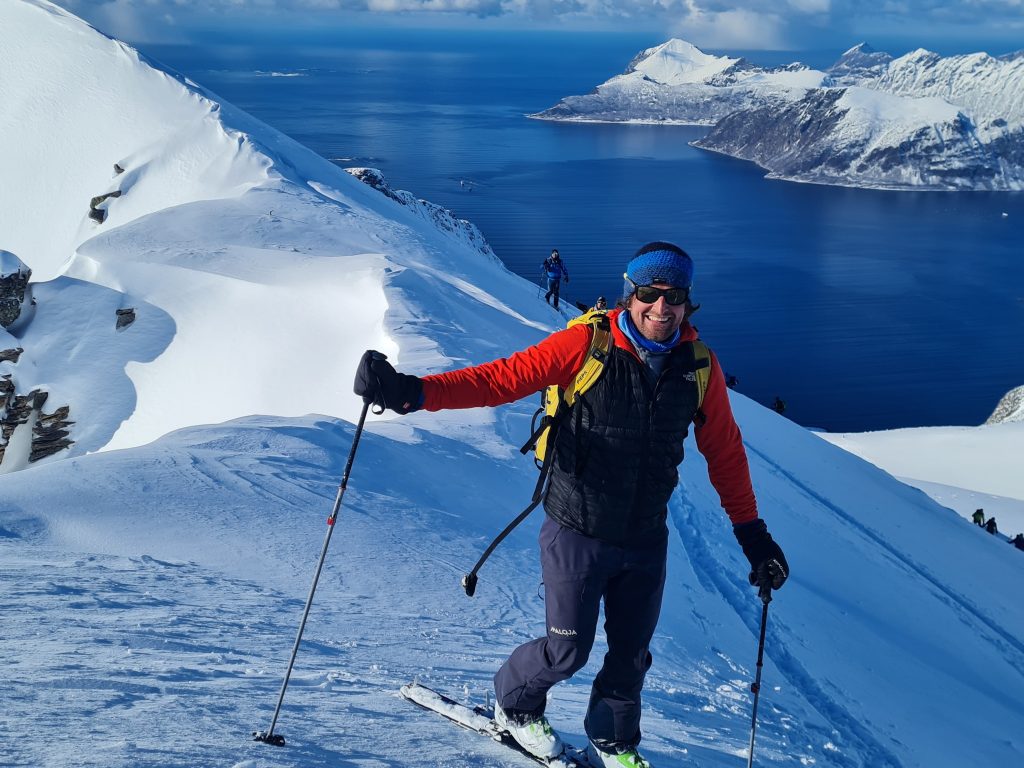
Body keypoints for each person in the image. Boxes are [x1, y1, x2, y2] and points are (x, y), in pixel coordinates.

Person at [353, 241, 789, 768]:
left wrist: (754, 536)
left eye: (674, 296)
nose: (661, 307)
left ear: (687, 302)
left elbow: (725, 452)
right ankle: (514, 705)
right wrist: (412, 392)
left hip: (645, 537)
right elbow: (500, 379)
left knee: (631, 656)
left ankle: (613, 742)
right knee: (566, 651)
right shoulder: (587, 345)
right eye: (649, 294)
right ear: (630, 295)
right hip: (577, 528)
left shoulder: (698, 367)